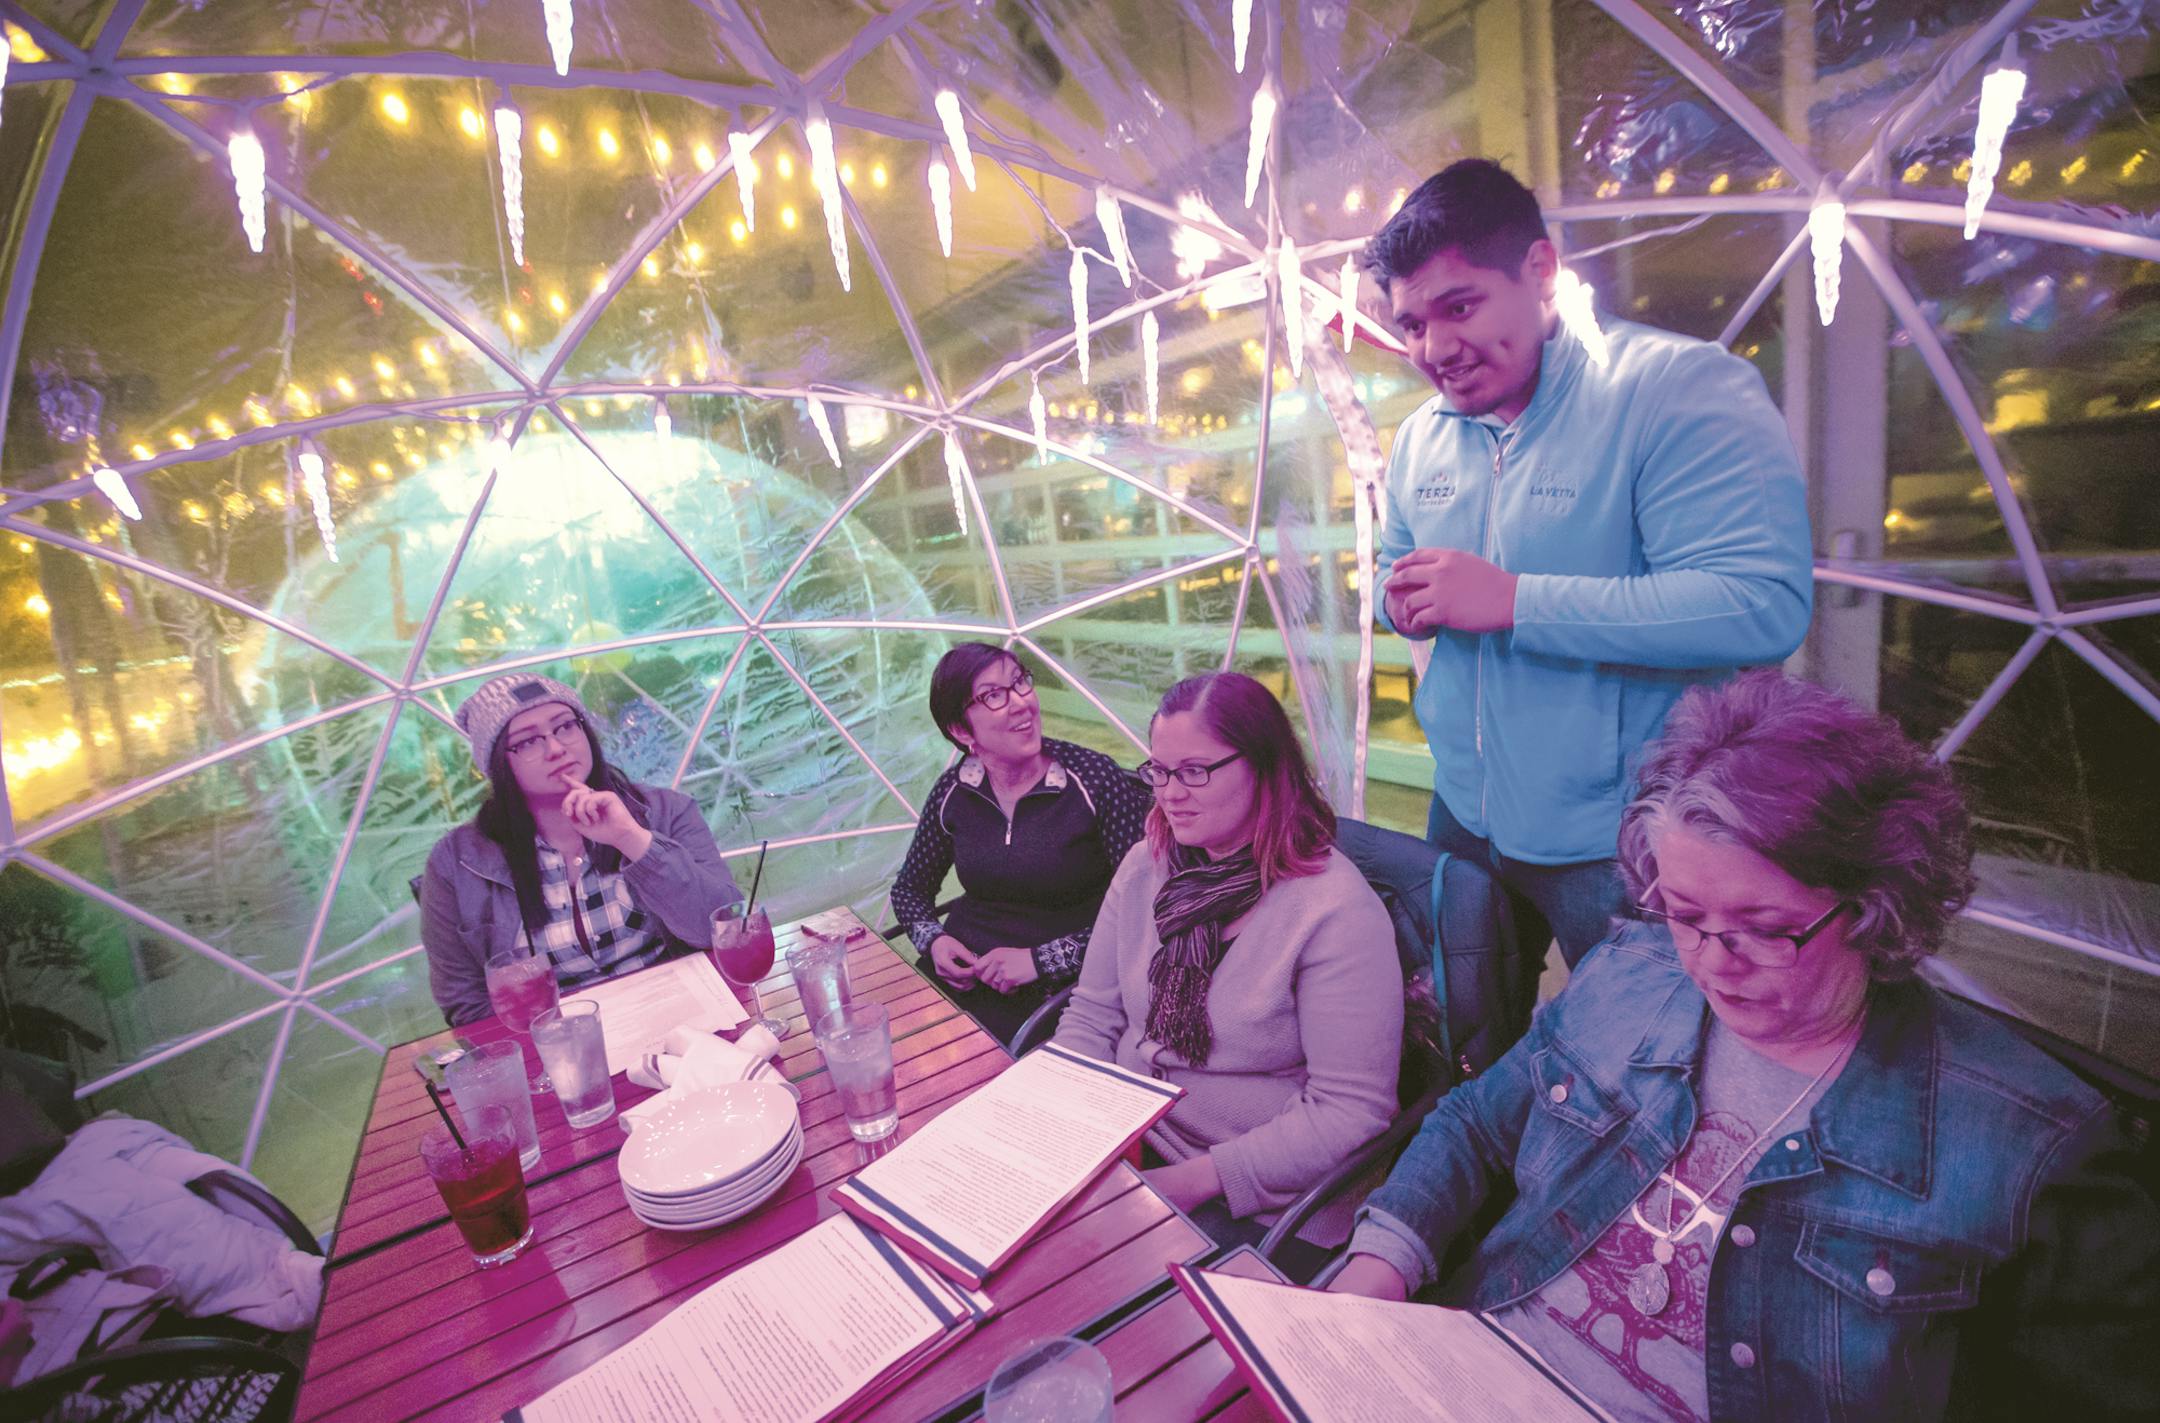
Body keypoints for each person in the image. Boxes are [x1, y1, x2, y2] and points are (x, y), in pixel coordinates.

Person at [1328, 670, 2159, 1422]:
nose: (1710, 963)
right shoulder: (1628, 973)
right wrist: (1377, 1266)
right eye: (1685, 912)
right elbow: (1477, 1123)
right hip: (1465, 1368)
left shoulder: (2030, 1148)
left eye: (1764, 929)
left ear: (1877, 907)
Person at [1366, 158, 1813, 968]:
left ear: (1540, 272)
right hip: (1464, 811)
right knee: (1470, 1038)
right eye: (1409, 325)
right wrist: (1394, 600)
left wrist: (1515, 601)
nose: (1435, 348)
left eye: (1458, 306)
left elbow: (1759, 602)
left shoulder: (1673, 390)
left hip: (1622, 837)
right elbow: (1393, 571)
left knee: (1636, 1065)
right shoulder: (1422, 436)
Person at [1054, 672, 1402, 1274]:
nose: (1170, 793)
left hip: (1268, 1198)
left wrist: (1185, 1184)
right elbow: (1093, 1013)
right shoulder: (1148, 866)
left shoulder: (1334, 911)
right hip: (1133, 1140)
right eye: (1159, 771)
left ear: (1265, 768)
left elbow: (1351, 1112)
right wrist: (1062, 1118)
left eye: (1195, 770)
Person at [420, 674, 741, 1027]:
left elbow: (726, 930)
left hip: (683, 1017)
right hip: (559, 1042)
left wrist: (631, 838)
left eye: (565, 727)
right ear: (498, 763)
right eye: (527, 742)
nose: (556, 748)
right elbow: (466, 1006)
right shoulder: (456, 862)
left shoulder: (666, 812)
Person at [890, 643, 1152, 1046]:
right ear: (961, 731)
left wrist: (1039, 961)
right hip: (956, 987)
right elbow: (909, 889)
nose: (1021, 703)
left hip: (1052, 999)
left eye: (1020, 683)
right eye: (994, 696)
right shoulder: (955, 789)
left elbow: (1143, 915)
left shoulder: (1094, 780)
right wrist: (935, 941)